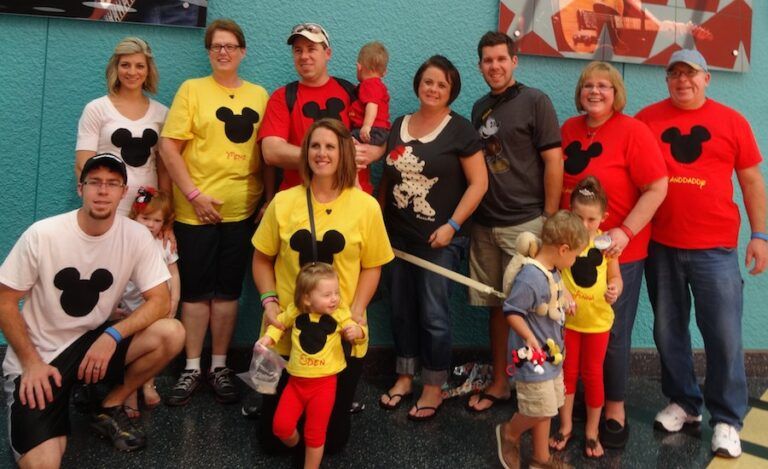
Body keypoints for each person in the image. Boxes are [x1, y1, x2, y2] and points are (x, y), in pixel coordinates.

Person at [0, 154, 185, 466]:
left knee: (171, 332)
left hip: (93, 344)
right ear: (80, 188)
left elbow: (160, 300)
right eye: (95, 183)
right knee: (43, 464)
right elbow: (5, 300)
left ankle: (109, 405)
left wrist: (112, 335)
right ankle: (42, 406)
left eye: (112, 184)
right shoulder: (43, 234)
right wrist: (30, 363)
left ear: (123, 192)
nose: (103, 191)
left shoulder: (136, 236)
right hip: (42, 357)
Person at [635, 49, 766, 458]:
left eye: (690, 74)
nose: (682, 81)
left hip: (716, 248)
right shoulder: (647, 120)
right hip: (661, 245)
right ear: (667, 80)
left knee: (724, 336)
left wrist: (760, 234)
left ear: (707, 78)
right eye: (674, 74)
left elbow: (750, 182)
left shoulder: (732, 122)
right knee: (668, 331)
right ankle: (684, 404)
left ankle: (727, 419)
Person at [252, 118, 393, 454]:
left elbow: (373, 265)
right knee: (273, 440)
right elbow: (261, 258)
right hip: (284, 329)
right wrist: (269, 302)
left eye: (330, 146)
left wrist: (356, 312)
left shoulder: (365, 207)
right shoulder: (284, 202)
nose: (321, 153)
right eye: (314, 145)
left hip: (339, 332)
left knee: (331, 443)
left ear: (344, 152)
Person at [159, 18, 270, 406]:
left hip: (242, 212)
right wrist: (192, 194)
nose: (223, 52)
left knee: (227, 293)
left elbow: (267, 153)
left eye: (230, 46)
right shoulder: (192, 90)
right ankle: (191, 366)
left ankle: (219, 365)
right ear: (208, 52)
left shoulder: (260, 95)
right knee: (195, 293)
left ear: (242, 52)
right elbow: (168, 147)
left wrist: (267, 198)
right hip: (195, 213)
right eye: (215, 46)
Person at [560, 60, 667, 448]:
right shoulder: (569, 129)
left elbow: (657, 187)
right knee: (571, 326)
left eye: (604, 85)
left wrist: (624, 230)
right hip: (571, 253)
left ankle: (614, 407)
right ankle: (577, 404)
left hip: (617, 253)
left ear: (616, 92)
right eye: (588, 84)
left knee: (612, 331)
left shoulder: (633, 131)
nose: (595, 91)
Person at [378, 55, 488, 420]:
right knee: (401, 309)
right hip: (395, 239)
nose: (434, 89)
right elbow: (387, 179)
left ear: (451, 90)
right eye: (428, 81)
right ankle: (405, 376)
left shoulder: (460, 131)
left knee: (433, 314)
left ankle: (433, 386)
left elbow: (479, 183)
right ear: (417, 84)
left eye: (442, 84)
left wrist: (453, 226)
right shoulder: (400, 124)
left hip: (439, 240)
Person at [467, 31, 564, 412]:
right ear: (480, 65)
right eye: (487, 60)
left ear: (514, 61)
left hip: (526, 224)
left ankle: (535, 389)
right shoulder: (478, 108)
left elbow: (554, 160)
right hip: (484, 224)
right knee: (497, 306)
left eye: (501, 59)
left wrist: (550, 217)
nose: (494, 66)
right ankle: (501, 381)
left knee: (529, 309)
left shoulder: (535, 102)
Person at [495, 210, 588, 469]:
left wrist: (566, 298)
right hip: (532, 357)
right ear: (563, 249)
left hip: (550, 353)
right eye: (576, 254)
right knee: (541, 408)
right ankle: (510, 432)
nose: (576, 259)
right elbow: (512, 312)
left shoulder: (551, 269)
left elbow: (553, 292)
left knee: (547, 405)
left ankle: (541, 459)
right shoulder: (531, 277)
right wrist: (529, 337)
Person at [257, 263, 366, 469]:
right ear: (307, 298)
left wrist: (358, 333)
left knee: (316, 434)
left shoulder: (339, 314)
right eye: (326, 294)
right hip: (295, 384)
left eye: (336, 293)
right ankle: (298, 445)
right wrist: (268, 339)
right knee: (281, 427)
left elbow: (358, 329)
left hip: (324, 386)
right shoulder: (295, 311)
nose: (334, 298)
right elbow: (279, 324)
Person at [258, 22, 384, 194]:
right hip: (301, 202)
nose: (304, 56)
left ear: (327, 53)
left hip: (352, 201)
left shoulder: (353, 92)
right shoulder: (282, 97)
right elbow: (271, 152)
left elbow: (381, 133)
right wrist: (338, 157)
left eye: (311, 49)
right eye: (298, 50)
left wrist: (376, 151)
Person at [549, 176, 622, 459]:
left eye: (592, 219)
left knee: (593, 375)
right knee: (566, 373)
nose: (585, 225)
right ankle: (565, 426)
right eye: (579, 217)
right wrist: (563, 293)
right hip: (568, 323)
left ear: (603, 217)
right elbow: (554, 273)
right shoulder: (563, 240)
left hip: (597, 323)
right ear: (569, 213)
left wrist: (616, 288)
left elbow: (615, 276)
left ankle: (592, 431)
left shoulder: (607, 245)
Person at [75, 36, 170, 217]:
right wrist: (98, 206)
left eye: (140, 66)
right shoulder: (96, 109)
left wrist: (165, 214)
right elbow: (83, 165)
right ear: (115, 68)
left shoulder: (162, 113)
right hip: (108, 207)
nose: (132, 72)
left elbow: (164, 170)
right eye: (125, 65)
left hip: (146, 212)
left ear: (148, 71)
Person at [117, 187, 180, 417]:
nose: (151, 224)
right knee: (131, 348)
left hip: (159, 307)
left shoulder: (164, 244)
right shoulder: (124, 242)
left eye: (157, 220)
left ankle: (147, 383)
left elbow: (174, 273)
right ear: (134, 216)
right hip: (129, 306)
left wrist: (175, 298)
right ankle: (128, 391)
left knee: (154, 347)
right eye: (145, 218)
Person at [349, 41, 391, 145]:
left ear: (359, 67)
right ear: (384, 72)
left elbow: (372, 105)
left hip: (372, 130)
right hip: (379, 131)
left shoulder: (369, 84)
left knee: (344, 141)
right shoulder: (378, 85)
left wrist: (366, 126)